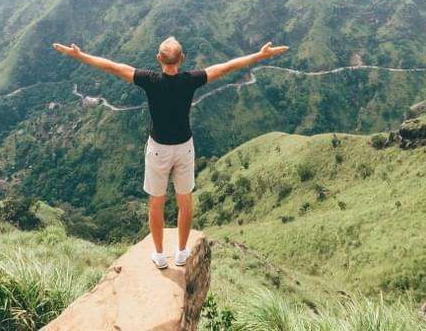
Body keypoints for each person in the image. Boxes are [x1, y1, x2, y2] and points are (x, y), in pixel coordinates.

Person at [52, 36, 288, 268]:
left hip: (158, 150)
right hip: (184, 148)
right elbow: (226, 67)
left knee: (156, 203)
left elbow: (113, 67)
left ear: (158, 58)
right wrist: (260, 55)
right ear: (182, 58)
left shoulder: (150, 80)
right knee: (185, 202)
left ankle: (159, 254)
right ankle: (182, 252)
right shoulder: (190, 80)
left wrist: (79, 55)